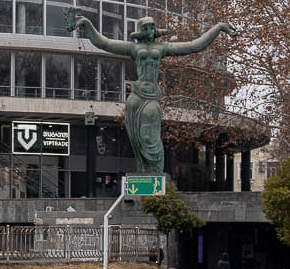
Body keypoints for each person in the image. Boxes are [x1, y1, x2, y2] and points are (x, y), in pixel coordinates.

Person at [66, 13, 237, 173]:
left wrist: (219, 27)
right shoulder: (133, 48)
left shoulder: (163, 48)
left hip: (151, 96)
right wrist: (87, 25)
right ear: (140, 31)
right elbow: (104, 43)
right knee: (137, 139)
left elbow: (194, 46)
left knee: (150, 138)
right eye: (146, 28)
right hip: (136, 95)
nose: (149, 31)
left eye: (152, 27)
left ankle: (155, 175)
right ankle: (143, 173)